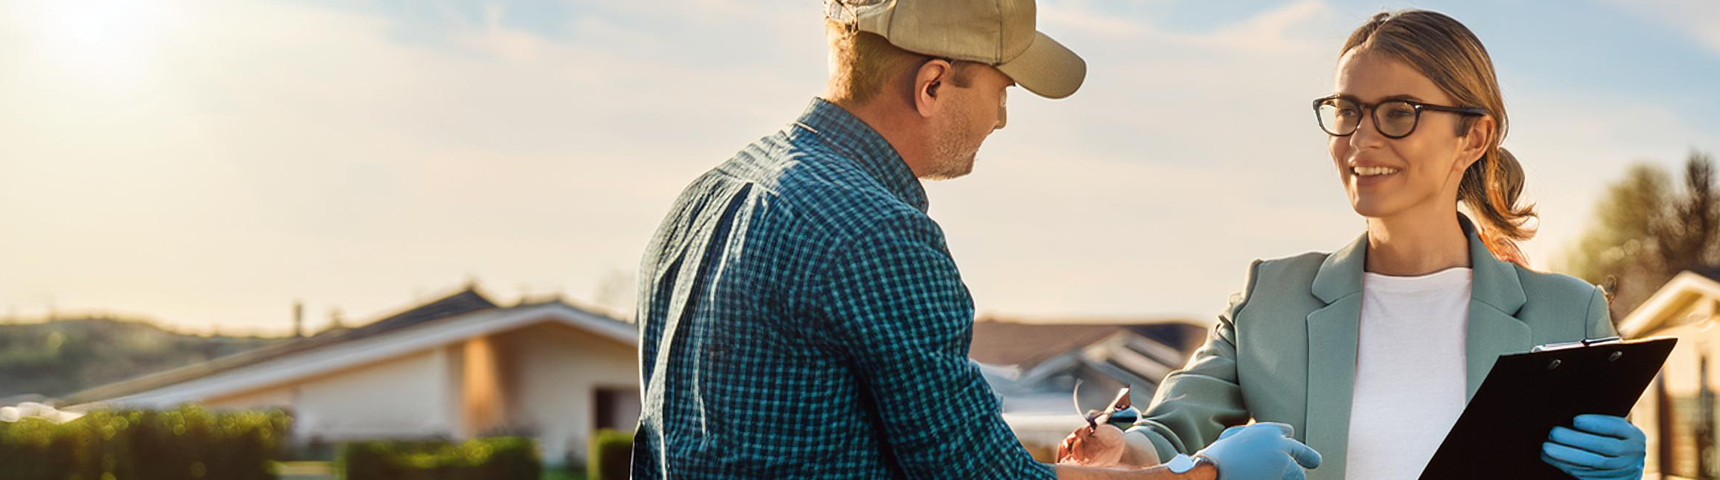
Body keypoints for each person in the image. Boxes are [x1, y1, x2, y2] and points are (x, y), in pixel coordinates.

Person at [630, 0, 1311, 478]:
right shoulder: (879, 235)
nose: (1004, 119)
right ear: (932, 84)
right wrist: (1206, 475)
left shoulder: (705, 199)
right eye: (1001, 88)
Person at [1055, 9, 1648, 480]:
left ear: (1474, 135)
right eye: (1346, 110)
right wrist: (1121, 446)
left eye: (1398, 113)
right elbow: (1171, 430)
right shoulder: (1270, 299)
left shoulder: (1570, 313)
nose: (1360, 139)